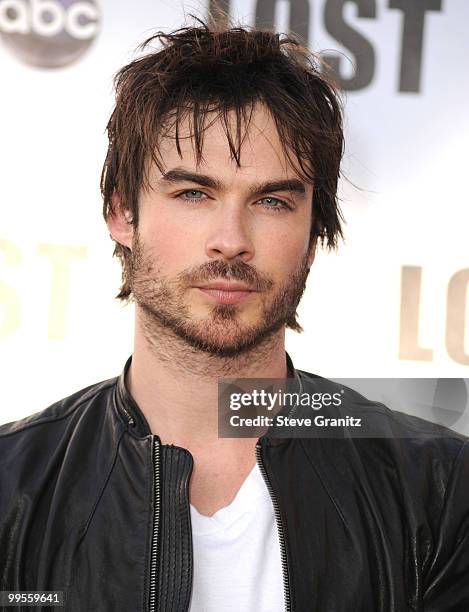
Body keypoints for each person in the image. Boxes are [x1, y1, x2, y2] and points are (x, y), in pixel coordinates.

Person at [1, 18, 468, 612]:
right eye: (193, 193)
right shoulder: (11, 488)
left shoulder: (440, 491)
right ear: (121, 213)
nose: (230, 240)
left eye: (271, 201)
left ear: (311, 233)